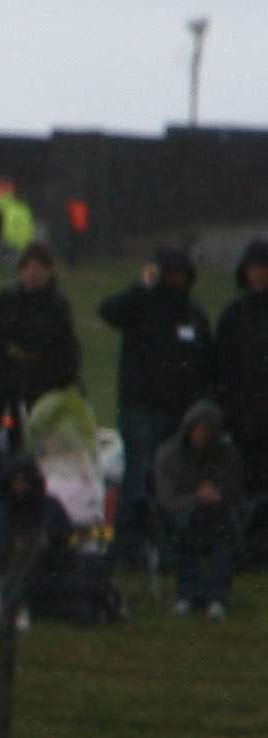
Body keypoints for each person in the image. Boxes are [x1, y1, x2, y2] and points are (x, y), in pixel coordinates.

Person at [100, 246, 209, 547]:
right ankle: (128, 546)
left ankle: (166, 545)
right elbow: (110, 311)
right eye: (169, 275)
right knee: (137, 479)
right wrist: (142, 286)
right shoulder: (141, 304)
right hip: (142, 411)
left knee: (172, 483)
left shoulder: (194, 314)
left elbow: (204, 360)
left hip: (181, 414)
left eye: (180, 276)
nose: (175, 281)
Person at [0, 242, 82, 431]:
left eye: (38, 268)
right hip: (3, 387)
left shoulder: (56, 306)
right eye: (28, 268)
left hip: (42, 387)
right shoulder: (6, 300)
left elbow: (57, 343)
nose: (33, 274)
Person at [154, 399, 248, 614]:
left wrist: (216, 496)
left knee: (223, 532)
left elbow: (233, 492)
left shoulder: (227, 455)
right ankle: (187, 593)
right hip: (178, 517)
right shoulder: (170, 455)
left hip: (216, 514)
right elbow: (167, 500)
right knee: (188, 530)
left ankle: (216, 595)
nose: (202, 434)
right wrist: (196, 499)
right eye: (199, 429)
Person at [208, 239, 268, 480]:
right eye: (254, 269)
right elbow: (221, 364)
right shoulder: (234, 314)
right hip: (243, 418)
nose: (259, 276)